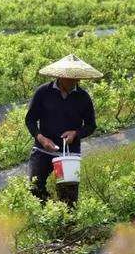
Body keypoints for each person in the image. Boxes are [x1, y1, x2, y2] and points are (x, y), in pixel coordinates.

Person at [25, 54, 103, 207]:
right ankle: (48, 214)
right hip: (43, 150)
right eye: (70, 77)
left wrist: (76, 133)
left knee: (69, 195)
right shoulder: (43, 92)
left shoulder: (83, 97)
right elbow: (30, 119)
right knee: (34, 186)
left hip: (69, 154)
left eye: (77, 78)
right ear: (60, 76)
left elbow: (91, 125)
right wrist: (41, 138)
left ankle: (66, 224)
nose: (74, 81)